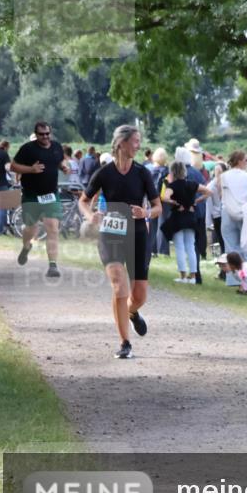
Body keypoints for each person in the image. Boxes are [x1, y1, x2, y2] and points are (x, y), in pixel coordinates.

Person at [77, 125, 162, 359]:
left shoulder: (142, 173)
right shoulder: (104, 173)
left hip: (137, 234)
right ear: (121, 143)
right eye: (135, 141)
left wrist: (145, 212)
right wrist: (90, 215)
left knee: (139, 295)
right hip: (111, 233)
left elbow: (158, 207)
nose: (138, 145)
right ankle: (125, 343)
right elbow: (83, 201)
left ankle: (132, 313)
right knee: (119, 285)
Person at [10, 121, 71, 277]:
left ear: (50, 133)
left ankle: (52, 266)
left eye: (47, 134)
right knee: (31, 228)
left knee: (52, 228)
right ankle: (26, 247)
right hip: (31, 195)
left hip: (51, 194)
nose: (45, 137)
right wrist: (31, 169)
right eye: (41, 134)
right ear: (36, 134)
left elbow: (59, 159)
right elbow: (13, 166)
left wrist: (63, 166)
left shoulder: (56, 146)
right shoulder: (27, 149)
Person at [162, 161, 211, 283]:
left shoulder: (172, 186)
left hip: (178, 218)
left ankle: (183, 275)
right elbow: (208, 192)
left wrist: (174, 202)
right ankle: (193, 276)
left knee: (179, 247)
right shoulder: (192, 184)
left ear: (172, 172)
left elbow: (165, 197)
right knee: (190, 245)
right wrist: (197, 201)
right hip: (190, 217)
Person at [219, 150, 247, 269]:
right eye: (246, 160)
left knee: (230, 246)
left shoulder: (223, 176)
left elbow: (221, 195)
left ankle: (233, 276)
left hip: (227, 211)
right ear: (240, 161)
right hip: (245, 212)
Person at [147, 148, 169, 257]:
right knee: (163, 225)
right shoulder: (168, 171)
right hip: (164, 200)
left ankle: (152, 250)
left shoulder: (149, 170)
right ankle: (164, 251)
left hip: (151, 200)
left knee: (152, 225)